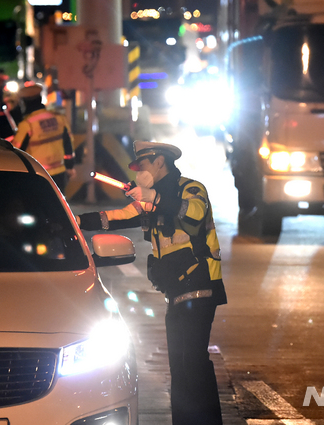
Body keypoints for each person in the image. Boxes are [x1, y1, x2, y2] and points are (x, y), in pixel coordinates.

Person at [75, 140, 227, 425]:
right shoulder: (149, 198)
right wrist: (74, 220)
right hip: (175, 291)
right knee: (179, 366)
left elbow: (193, 215)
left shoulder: (191, 189)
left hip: (200, 285)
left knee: (192, 363)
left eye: (142, 165)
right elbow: (118, 217)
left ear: (159, 162)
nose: (139, 171)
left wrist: (153, 197)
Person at [11, 83, 76, 193]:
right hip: (59, 173)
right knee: (59, 207)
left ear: (24, 103)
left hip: (38, 175)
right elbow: (68, 143)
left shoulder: (27, 124)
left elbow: (16, 152)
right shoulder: (59, 118)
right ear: (40, 99)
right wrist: (70, 166)